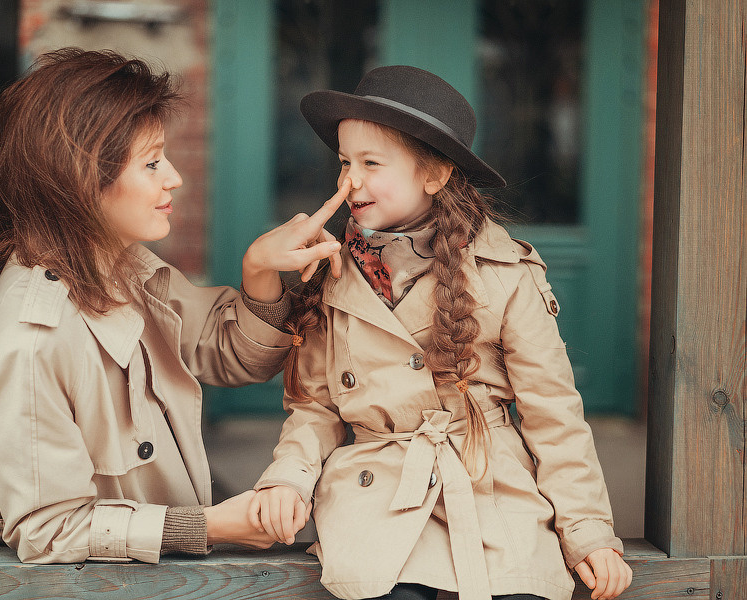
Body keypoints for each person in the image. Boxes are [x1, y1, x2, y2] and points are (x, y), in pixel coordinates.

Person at [0, 47, 349, 564]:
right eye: (151, 162)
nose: (173, 177)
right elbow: (49, 532)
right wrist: (214, 525)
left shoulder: (121, 267)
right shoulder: (33, 340)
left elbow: (233, 355)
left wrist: (260, 270)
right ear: (79, 176)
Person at [249, 66, 633, 600]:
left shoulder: (502, 272)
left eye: (371, 163)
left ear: (433, 175)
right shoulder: (330, 271)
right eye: (344, 163)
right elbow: (314, 407)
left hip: (490, 483)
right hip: (378, 488)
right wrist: (288, 477)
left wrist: (588, 532)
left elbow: (554, 412)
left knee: (523, 589)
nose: (350, 181)